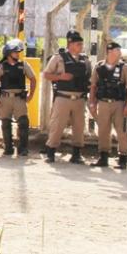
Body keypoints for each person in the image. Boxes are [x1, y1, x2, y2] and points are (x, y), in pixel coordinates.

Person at [43, 30, 91, 164]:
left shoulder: (85, 60)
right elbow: (46, 75)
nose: (80, 46)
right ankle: (51, 152)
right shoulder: (58, 58)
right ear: (70, 44)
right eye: (78, 44)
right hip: (63, 97)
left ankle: (76, 154)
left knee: (79, 126)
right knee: (57, 125)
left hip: (80, 98)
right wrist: (60, 77)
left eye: (81, 44)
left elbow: (89, 78)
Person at [89, 42, 127, 169]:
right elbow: (93, 86)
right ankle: (103, 157)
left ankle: (123, 158)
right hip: (103, 102)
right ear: (109, 52)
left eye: (119, 50)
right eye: (117, 50)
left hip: (119, 103)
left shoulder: (124, 68)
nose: (119, 52)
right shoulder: (99, 66)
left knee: (122, 131)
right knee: (103, 130)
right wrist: (92, 102)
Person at [0, 39, 36, 156]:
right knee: (5, 122)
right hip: (5, 98)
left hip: (19, 98)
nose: (17, 54)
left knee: (23, 122)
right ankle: (8, 147)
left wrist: (31, 94)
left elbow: (33, 79)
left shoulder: (23, 65)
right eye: (15, 52)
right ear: (9, 53)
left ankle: (23, 148)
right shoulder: (1, 66)